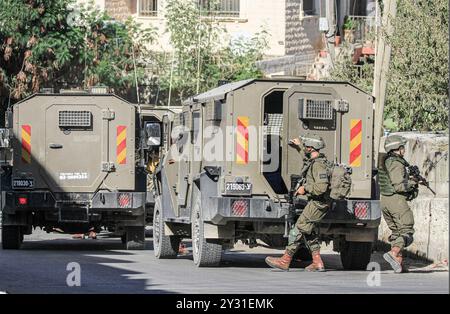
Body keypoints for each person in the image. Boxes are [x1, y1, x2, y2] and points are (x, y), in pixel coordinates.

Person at [265, 134, 331, 272]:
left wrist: (304, 188)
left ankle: (285, 260)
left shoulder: (319, 165)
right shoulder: (316, 160)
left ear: (312, 147)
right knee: (308, 230)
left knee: (298, 229)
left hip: (318, 203)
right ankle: (317, 261)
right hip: (316, 202)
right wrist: (299, 147)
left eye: (307, 146)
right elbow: (307, 160)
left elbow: (321, 187)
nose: (305, 147)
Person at [378, 134, 418, 273]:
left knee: (397, 232)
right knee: (407, 231)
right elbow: (399, 185)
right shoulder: (396, 163)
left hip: (385, 200)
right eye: (402, 147)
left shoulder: (387, 161)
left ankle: (399, 263)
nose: (404, 150)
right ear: (398, 148)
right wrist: (414, 183)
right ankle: (394, 253)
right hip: (396, 200)